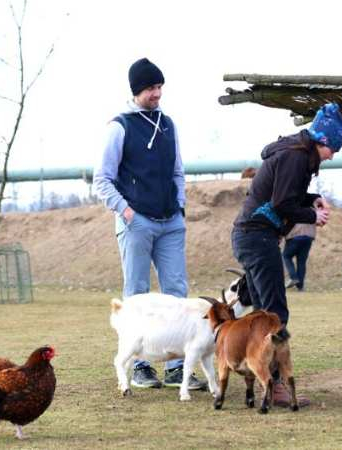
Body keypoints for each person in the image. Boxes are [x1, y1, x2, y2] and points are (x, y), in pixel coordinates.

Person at [93, 57, 205, 391]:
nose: (157, 93)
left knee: (177, 294)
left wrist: (180, 206)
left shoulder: (169, 123)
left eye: (160, 87)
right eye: (151, 88)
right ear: (137, 90)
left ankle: (176, 366)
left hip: (171, 221)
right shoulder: (120, 126)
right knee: (137, 295)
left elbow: (177, 171)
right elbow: (102, 179)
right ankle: (139, 365)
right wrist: (126, 212)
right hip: (136, 221)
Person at [231, 102, 342, 407]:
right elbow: (283, 204)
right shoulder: (296, 157)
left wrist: (313, 198)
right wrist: (312, 215)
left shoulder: (294, 154)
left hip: (249, 236)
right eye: (333, 148)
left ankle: (258, 377)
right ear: (322, 141)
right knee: (274, 317)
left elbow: (284, 194)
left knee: (260, 316)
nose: (332, 155)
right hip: (258, 237)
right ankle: (276, 386)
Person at [282, 223, 317, 291]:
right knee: (301, 262)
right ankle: (300, 287)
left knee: (286, 256)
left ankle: (293, 277)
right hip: (308, 236)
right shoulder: (313, 211)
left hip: (294, 235)